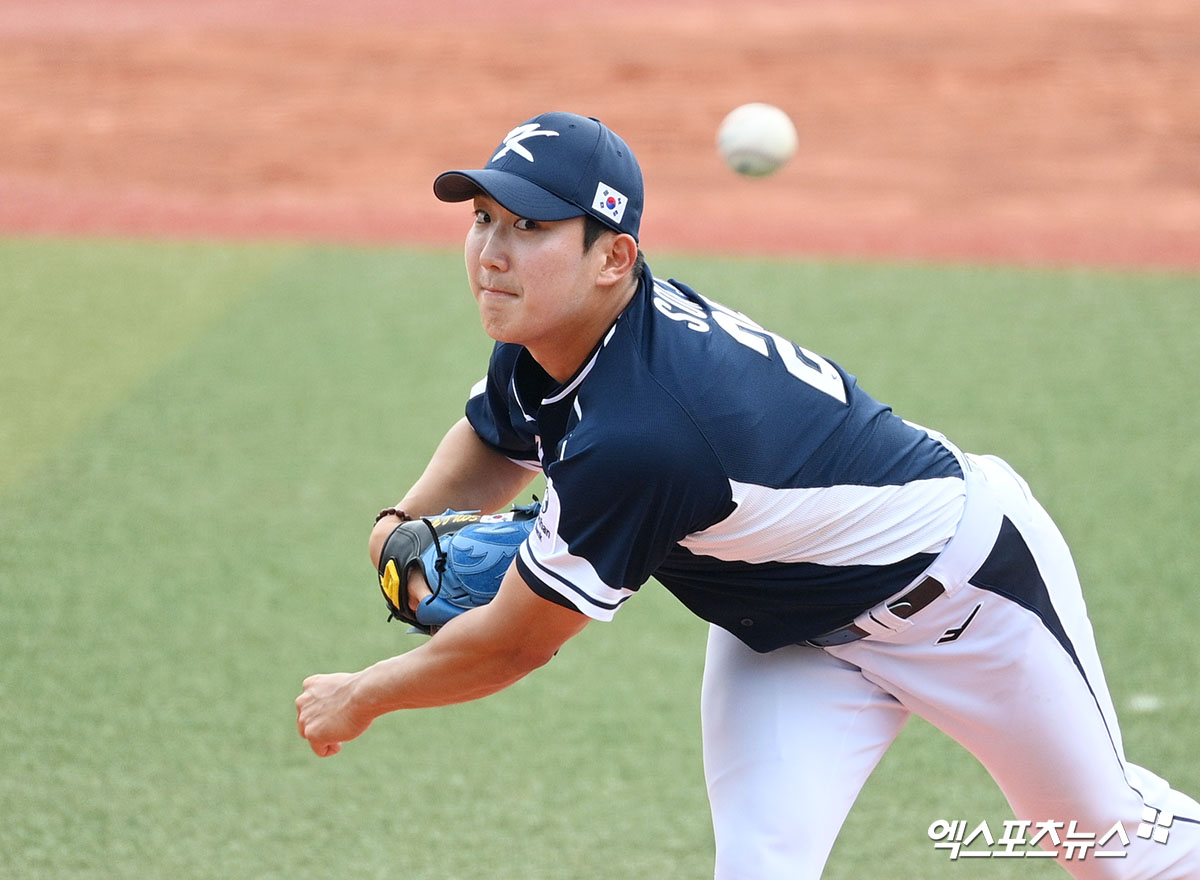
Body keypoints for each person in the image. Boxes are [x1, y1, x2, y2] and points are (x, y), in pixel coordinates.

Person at [296, 111, 1199, 878]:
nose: (493, 253)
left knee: (1108, 846)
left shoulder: (643, 436)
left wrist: (362, 695)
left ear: (614, 257)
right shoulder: (551, 333)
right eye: (484, 219)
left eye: (529, 227)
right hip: (786, 631)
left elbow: (513, 646)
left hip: (969, 599)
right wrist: (400, 526)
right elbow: (498, 436)